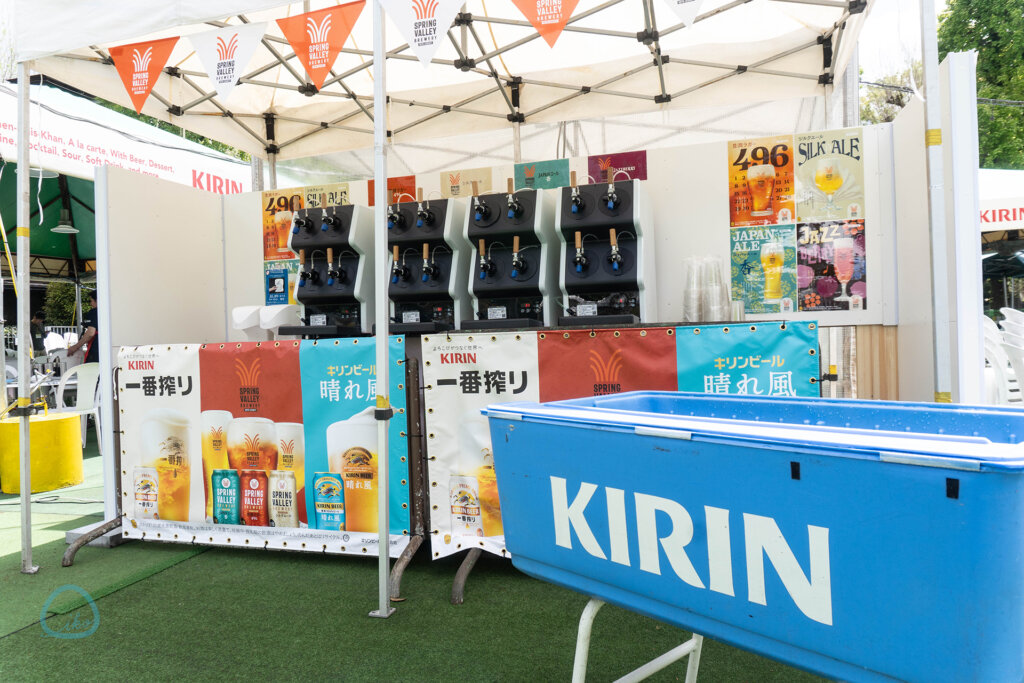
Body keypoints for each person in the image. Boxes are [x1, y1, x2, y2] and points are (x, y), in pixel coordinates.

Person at [68, 291, 98, 363]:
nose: (91, 304)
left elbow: (90, 333)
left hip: (96, 349)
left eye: (91, 301)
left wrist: (75, 347)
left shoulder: (94, 312)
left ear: (97, 300)